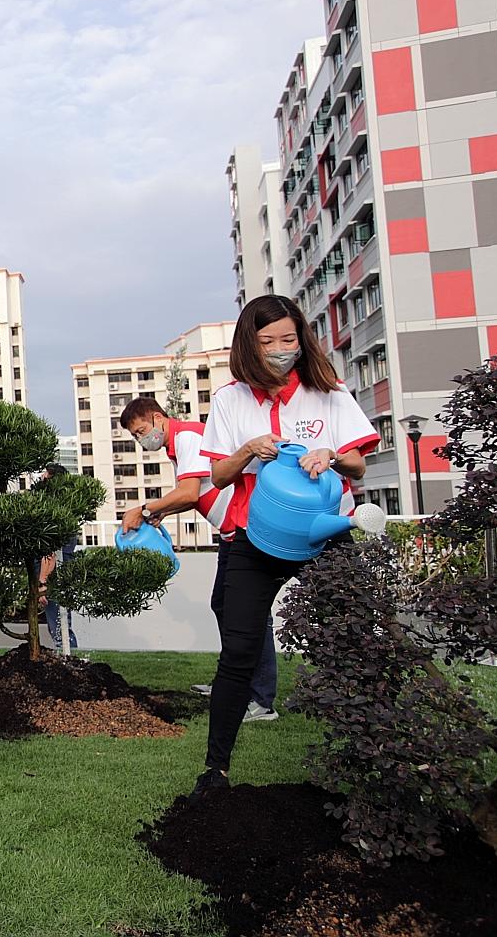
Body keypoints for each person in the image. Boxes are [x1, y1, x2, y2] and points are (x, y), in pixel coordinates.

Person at [193, 294, 378, 796]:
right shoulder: (231, 399)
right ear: (249, 346)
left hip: (322, 537)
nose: (279, 349)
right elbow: (217, 474)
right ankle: (216, 771)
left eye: (288, 339)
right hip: (254, 540)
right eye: (267, 340)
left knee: (357, 639)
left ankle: (376, 760)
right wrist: (248, 449)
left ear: (302, 338)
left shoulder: (328, 391)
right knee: (239, 652)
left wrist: (333, 456)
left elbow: (359, 464)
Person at [118, 396, 277, 723]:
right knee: (223, 605)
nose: (141, 439)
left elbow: (190, 492)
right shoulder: (177, 446)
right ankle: (230, 682)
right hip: (233, 532)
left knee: (251, 615)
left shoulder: (187, 437)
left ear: (159, 418)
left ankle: (261, 699)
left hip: (245, 529)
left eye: (142, 430)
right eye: (135, 436)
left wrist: (146, 509)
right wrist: (162, 512)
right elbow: (197, 493)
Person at [36, 463, 80, 652]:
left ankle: (69, 659)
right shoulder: (67, 509)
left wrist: (43, 582)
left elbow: (50, 551)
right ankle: (70, 657)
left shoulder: (52, 512)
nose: (41, 477)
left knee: (59, 624)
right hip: (63, 567)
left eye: (45, 475)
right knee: (62, 622)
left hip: (54, 571)